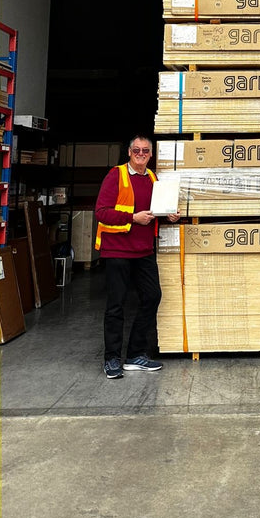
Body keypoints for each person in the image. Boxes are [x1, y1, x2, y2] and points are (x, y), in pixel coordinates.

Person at [94, 134, 179, 379]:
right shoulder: (116, 175)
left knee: (152, 296)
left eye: (145, 151)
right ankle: (112, 358)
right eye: (136, 150)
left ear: (151, 155)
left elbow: (155, 211)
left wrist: (170, 216)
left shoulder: (153, 178)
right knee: (116, 304)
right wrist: (132, 218)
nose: (140, 154)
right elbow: (101, 212)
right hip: (117, 250)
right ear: (129, 153)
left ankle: (134, 355)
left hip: (143, 250)